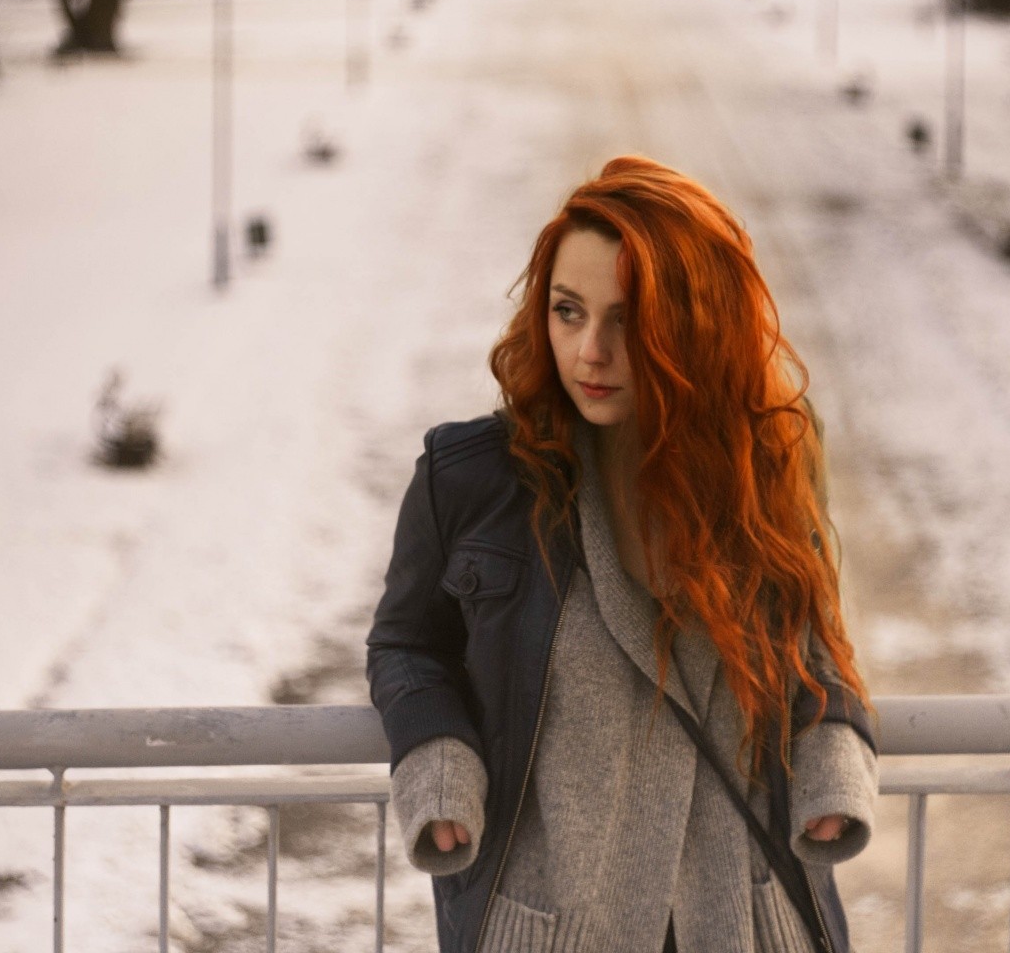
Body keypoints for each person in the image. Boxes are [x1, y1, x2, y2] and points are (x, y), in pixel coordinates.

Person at [367, 156, 879, 953]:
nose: (589, 352)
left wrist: (831, 772)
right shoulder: (473, 481)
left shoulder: (763, 467)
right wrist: (440, 768)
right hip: (552, 927)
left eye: (627, 321)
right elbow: (407, 644)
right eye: (568, 312)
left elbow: (816, 643)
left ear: (696, 327)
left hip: (745, 920)